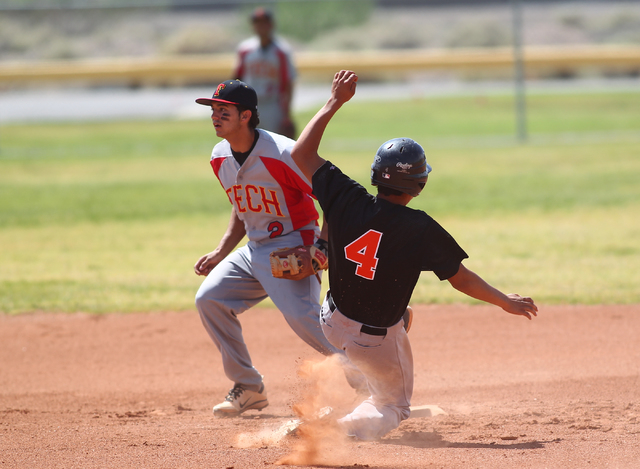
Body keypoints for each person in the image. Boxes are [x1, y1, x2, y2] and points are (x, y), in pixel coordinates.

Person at [290, 70, 539, 441]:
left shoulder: (345, 196)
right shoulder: (419, 227)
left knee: (401, 317)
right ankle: (335, 428)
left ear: (376, 174)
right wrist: (504, 301)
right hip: (370, 337)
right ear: (419, 185)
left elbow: (301, 152)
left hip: (330, 319)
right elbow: (461, 278)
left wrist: (335, 102)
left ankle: (360, 388)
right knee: (395, 407)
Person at [193, 78, 362, 418]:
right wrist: (222, 251)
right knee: (209, 299)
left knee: (305, 319)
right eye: (213, 109)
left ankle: (370, 381)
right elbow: (242, 205)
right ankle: (249, 387)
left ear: (246, 116)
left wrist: (322, 246)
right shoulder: (219, 156)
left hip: (294, 243)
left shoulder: (282, 154)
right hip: (255, 248)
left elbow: (332, 198)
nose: (215, 115)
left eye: (223, 110)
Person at [233, 7, 296, 138]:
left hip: (272, 105)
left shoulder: (281, 51)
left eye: (264, 22)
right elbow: (236, 79)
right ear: (253, 26)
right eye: (257, 23)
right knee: (248, 145)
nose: (261, 26)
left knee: (275, 145)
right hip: (249, 104)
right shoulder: (245, 49)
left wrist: (286, 114)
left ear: (271, 25)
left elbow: (288, 83)